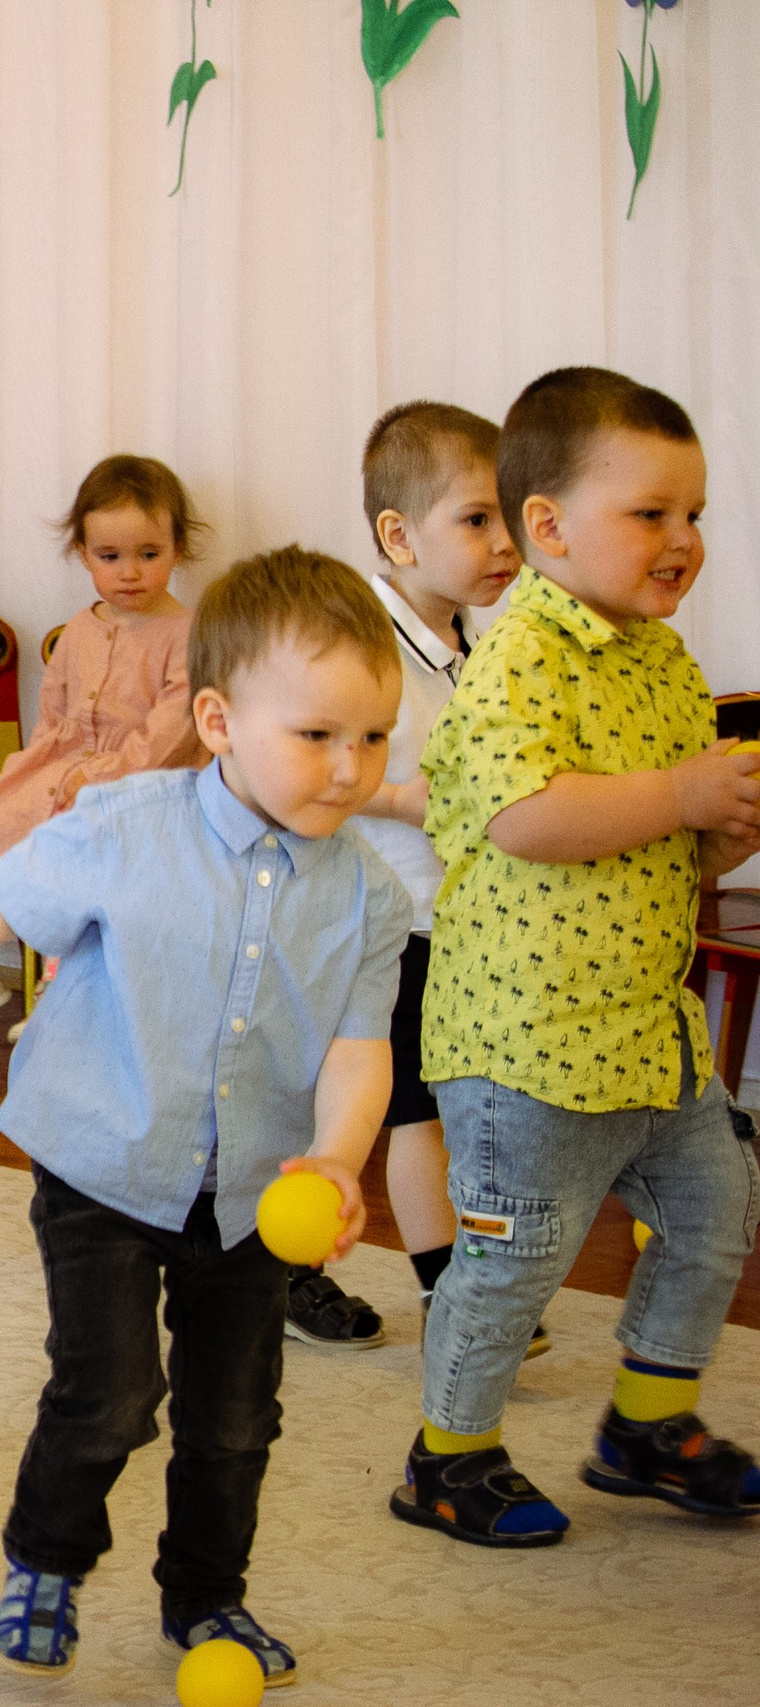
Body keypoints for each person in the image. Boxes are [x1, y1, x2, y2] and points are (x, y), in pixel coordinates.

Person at [0, 548, 409, 1686]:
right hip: (103, 1160)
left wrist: (337, 1160)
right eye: (316, 736)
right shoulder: (122, 826)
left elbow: (360, 1052)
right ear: (216, 719)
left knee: (237, 1419)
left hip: (258, 1192)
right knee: (108, 1392)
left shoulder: (370, 893)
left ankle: (206, 1599)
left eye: (373, 738)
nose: (350, 769)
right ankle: (46, 1559)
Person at [393, 367, 760, 1548]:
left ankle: (644, 1427)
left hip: (647, 1032)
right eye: (650, 513)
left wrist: (712, 837)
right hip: (526, 1044)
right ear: (545, 526)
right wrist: (676, 791)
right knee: (513, 1262)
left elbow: (659, 854)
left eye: (693, 513)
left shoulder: (661, 658)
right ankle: (447, 1457)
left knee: (714, 1210)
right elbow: (522, 819)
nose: (682, 540)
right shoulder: (518, 659)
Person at [280, 403, 526, 1355]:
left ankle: (448, 1293)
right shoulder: (363, 645)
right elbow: (316, 770)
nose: (505, 542)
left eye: (511, 516)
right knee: (387, 1105)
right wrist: (418, 799)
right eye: (477, 520)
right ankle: (423, 1290)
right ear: (398, 535)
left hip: (447, 923)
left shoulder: (478, 646)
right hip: (365, 921)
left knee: (421, 1106)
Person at [0, 455, 204, 1049]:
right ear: (83, 555)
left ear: (178, 549)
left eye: (148, 554)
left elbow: (170, 736)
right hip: (64, 766)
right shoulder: (80, 630)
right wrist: (31, 782)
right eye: (109, 557)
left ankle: (66, 990)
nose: (130, 573)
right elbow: (53, 722)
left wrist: (94, 779)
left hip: (146, 784)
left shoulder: (187, 634)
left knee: (79, 858)